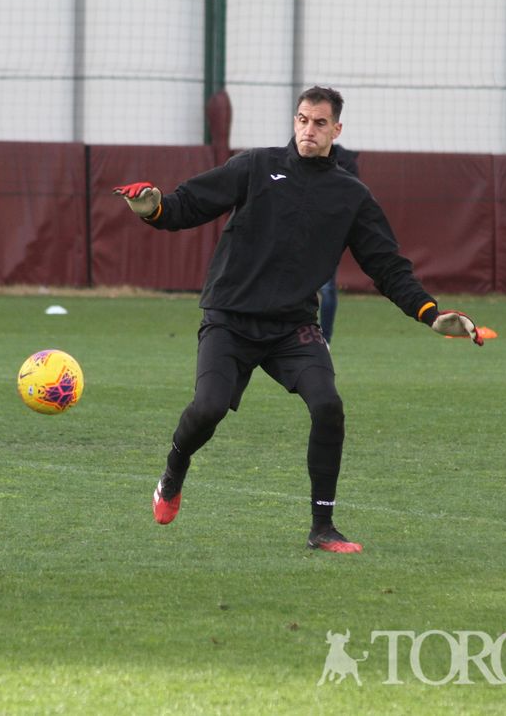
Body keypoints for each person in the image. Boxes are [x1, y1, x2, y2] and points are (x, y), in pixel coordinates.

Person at [113, 86, 483, 554]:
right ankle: (173, 472)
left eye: (320, 123)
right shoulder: (255, 165)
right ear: (294, 121)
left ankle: (322, 527)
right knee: (208, 409)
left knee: (328, 405)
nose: (309, 130)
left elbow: (387, 267)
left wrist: (429, 313)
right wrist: (155, 208)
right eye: (303, 120)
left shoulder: (351, 196)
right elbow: (189, 204)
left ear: (337, 130)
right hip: (230, 317)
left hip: (292, 327)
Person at [317, 145, 359, 346]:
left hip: (328, 233)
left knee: (326, 287)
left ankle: (324, 339)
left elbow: (351, 197)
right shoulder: (298, 159)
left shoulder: (344, 163)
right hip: (302, 232)